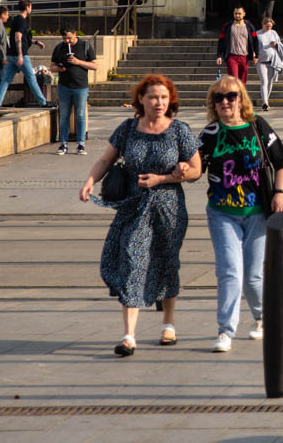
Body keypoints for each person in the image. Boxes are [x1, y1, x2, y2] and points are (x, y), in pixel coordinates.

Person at [79, 74, 202, 357]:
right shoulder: (127, 128)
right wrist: (90, 180)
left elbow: (196, 171)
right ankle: (129, 335)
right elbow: (105, 160)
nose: (158, 102)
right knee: (132, 260)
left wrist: (170, 176)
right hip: (133, 206)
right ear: (141, 100)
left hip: (168, 206)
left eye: (163, 97)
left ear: (170, 100)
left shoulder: (179, 131)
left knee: (167, 260)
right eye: (152, 97)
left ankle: (168, 324)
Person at [199, 78, 283, 352]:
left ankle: (263, 317)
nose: (225, 102)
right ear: (212, 103)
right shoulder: (210, 133)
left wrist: (280, 193)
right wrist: (178, 172)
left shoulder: (257, 126)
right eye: (219, 98)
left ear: (241, 99)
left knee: (253, 276)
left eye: (231, 96)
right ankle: (226, 331)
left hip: (257, 211)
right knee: (230, 272)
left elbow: (282, 162)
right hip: (222, 212)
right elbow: (195, 169)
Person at [50, 27, 99, 155]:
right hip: (64, 86)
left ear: (75, 34)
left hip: (80, 86)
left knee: (80, 115)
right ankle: (63, 144)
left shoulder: (85, 46)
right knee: (64, 115)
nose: (67, 41)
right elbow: (52, 66)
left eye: (69, 38)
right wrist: (59, 68)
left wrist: (78, 62)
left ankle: (81, 144)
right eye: (64, 38)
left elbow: (94, 66)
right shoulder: (60, 47)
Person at [0, 0, 49, 107]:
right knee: (31, 78)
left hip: (10, 55)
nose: (31, 9)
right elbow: (18, 37)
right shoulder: (21, 20)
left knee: (6, 80)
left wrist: (36, 42)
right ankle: (43, 102)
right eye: (31, 7)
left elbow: (23, 38)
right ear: (27, 7)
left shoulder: (16, 20)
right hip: (20, 55)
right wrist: (20, 55)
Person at [253, 16, 283, 110]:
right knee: (264, 81)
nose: (269, 28)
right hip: (261, 61)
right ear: (263, 24)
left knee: (270, 82)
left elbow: (279, 45)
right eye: (267, 26)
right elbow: (253, 46)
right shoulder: (257, 34)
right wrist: (254, 54)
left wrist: (276, 44)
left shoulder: (274, 33)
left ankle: (266, 101)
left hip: (273, 61)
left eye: (270, 26)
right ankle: (264, 102)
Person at [215, 6, 259, 85]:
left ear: (244, 14)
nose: (237, 15)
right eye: (236, 13)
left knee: (242, 82)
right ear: (233, 14)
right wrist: (219, 55)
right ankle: (234, 96)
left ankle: (240, 97)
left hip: (244, 57)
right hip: (232, 57)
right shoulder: (227, 26)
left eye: (239, 13)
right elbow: (221, 41)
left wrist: (257, 55)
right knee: (234, 80)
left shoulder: (249, 26)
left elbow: (255, 40)